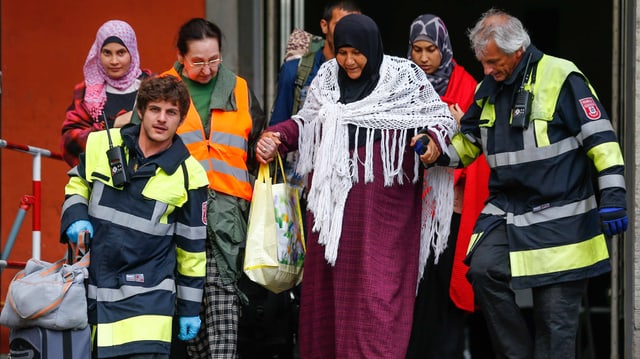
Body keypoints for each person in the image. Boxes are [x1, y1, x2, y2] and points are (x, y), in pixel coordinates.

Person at [419, 9, 628, 358]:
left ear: (517, 51)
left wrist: (614, 194)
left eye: (493, 62)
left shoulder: (562, 76)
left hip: (562, 221)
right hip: (507, 212)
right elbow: (469, 144)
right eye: (482, 62)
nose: (485, 70)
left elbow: (601, 140)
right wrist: (436, 152)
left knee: (554, 328)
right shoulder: (488, 88)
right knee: (483, 271)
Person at [257, 13, 457, 359]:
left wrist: (431, 143)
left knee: (376, 299)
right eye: (342, 52)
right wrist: (277, 137)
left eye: (357, 53)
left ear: (372, 48)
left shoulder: (402, 78)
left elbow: (438, 118)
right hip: (331, 219)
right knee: (327, 302)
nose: (349, 61)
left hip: (383, 217)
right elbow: (307, 122)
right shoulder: (327, 78)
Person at [60, 75, 209, 358]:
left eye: (171, 112)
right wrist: (76, 215)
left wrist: (190, 310)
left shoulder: (190, 175)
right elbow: (77, 184)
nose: (162, 119)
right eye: (155, 109)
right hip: (93, 295)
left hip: (148, 305)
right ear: (140, 111)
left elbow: (192, 251)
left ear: (181, 119)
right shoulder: (101, 144)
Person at [157, 18, 266, 359]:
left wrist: (265, 144)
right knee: (189, 311)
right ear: (181, 57)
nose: (207, 69)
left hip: (227, 218)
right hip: (176, 214)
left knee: (223, 307)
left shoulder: (240, 88)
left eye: (214, 60)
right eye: (198, 61)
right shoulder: (161, 90)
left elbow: (255, 140)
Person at [404, 14, 490, 359]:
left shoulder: (468, 86)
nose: (423, 58)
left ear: (444, 49)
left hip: (450, 211)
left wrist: (455, 129)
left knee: (445, 289)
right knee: (414, 291)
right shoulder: (403, 86)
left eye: (430, 49)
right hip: (410, 207)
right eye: (417, 49)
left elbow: (476, 148)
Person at [61, 19, 152, 167]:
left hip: (148, 174)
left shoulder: (151, 85)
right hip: (102, 177)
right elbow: (69, 144)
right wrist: (112, 125)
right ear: (98, 54)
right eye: (107, 53)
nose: (114, 61)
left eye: (121, 53)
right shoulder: (86, 92)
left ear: (132, 52)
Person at [270, 0, 362, 125]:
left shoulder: (366, 71)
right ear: (325, 26)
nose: (348, 32)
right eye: (340, 25)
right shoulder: (295, 70)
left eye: (355, 26)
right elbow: (277, 130)